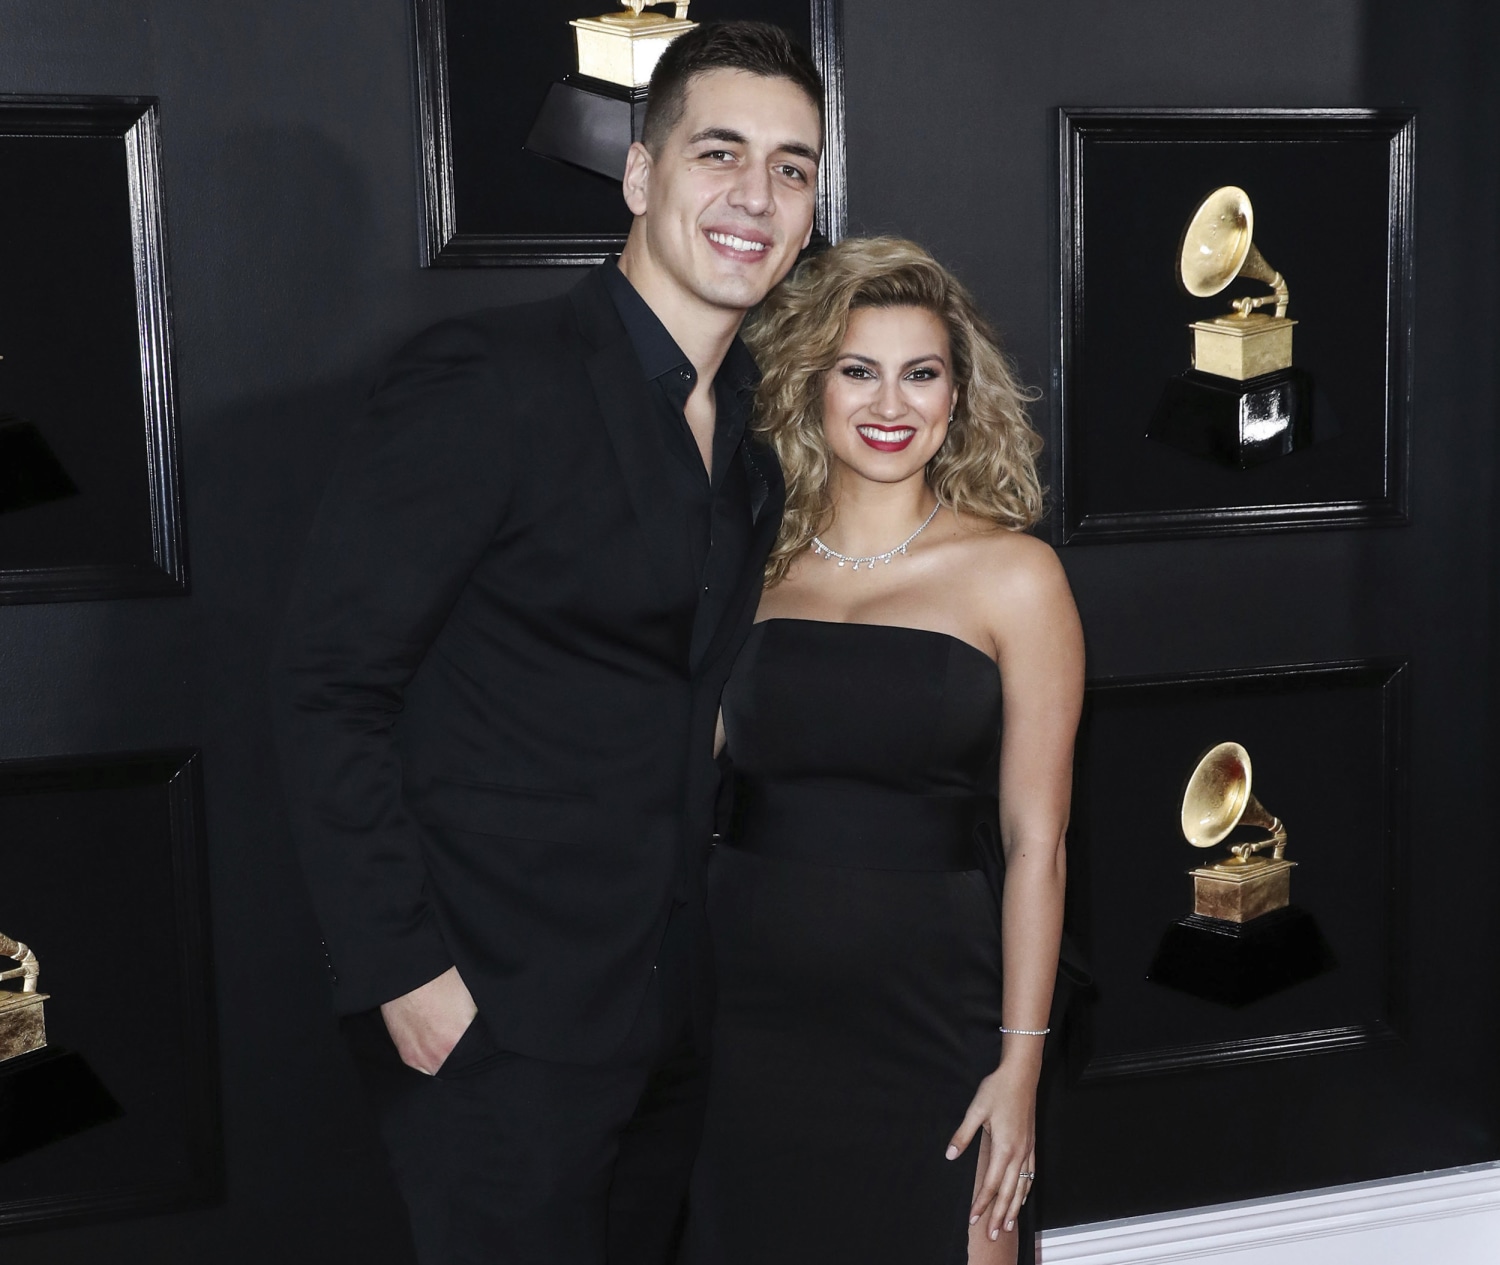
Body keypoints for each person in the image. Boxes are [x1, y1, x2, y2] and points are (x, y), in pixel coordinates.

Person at [269, 22, 823, 1265]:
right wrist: (403, 970)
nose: (756, 194)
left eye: (791, 167)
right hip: (491, 1019)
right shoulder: (489, 379)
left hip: (668, 1018)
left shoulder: (753, 447)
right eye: (720, 152)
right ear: (639, 174)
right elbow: (327, 684)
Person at [680, 237, 1084, 1265]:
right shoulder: (752, 566)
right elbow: (672, 775)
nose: (891, 403)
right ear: (811, 386)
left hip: (936, 1009)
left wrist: (1019, 1066)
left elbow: (1036, 842)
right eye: (858, 370)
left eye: (922, 372)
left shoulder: (1015, 575)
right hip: (747, 1007)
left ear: (958, 395)